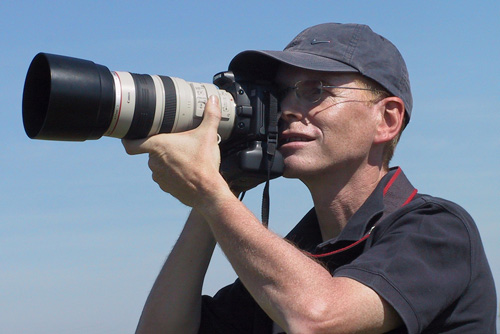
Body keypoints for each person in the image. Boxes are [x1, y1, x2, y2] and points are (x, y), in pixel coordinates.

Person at [122, 23, 497, 334]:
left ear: (387, 120)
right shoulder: (301, 255)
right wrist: (221, 185)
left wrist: (210, 195)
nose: (286, 110)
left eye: (315, 90)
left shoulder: (438, 231)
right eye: (282, 94)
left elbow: (317, 315)